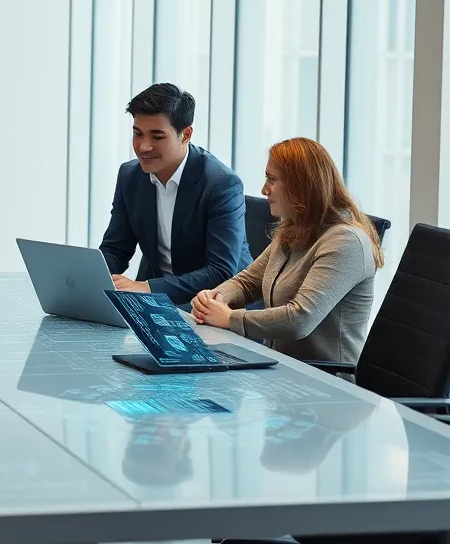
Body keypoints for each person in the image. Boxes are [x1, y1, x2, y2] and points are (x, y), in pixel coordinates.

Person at [190, 137, 382, 364]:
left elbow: (300, 319)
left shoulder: (346, 242)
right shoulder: (295, 228)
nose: (264, 189)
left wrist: (229, 318)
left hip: (325, 381)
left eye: (272, 179)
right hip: (282, 367)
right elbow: (246, 283)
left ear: (301, 185)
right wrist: (215, 299)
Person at [99, 83, 251, 304]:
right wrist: (90, 278)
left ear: (185, 134)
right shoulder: (130, 175)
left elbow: (220, 271)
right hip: (160, 300)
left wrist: (147, 287)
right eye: (137, 134)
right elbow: (116, 249)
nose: (143, 146)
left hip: (216, 303)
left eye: (157, 137)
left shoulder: (221, 184)